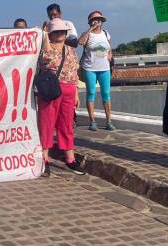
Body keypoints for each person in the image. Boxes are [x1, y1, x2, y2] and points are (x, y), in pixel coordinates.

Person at [37, 18, 82, 176]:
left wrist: (76, 93)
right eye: (56, 31)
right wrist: (44, 36)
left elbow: (74, 71)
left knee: (66, 124)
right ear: (50, 34)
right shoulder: (44, 49)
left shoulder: (70, 50)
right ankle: (44, 158)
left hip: (69, 89)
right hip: (51, 90)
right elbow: (47, 59)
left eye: (62, 31)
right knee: (47, 124)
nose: (60, 34)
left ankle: (70, 158)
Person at [78, 10, 115, 131]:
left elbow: (109, 46)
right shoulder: (87, 34)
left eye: (99, 19)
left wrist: (110, 54)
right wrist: (90, 29)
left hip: (104, 68)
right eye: (94, 19)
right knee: (91, 94)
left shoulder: (105, 33)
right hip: (90, 68)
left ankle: (109, 120)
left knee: (106, 94)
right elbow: (80, 42)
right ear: (90, 22)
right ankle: (92, 121)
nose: (97, 21)